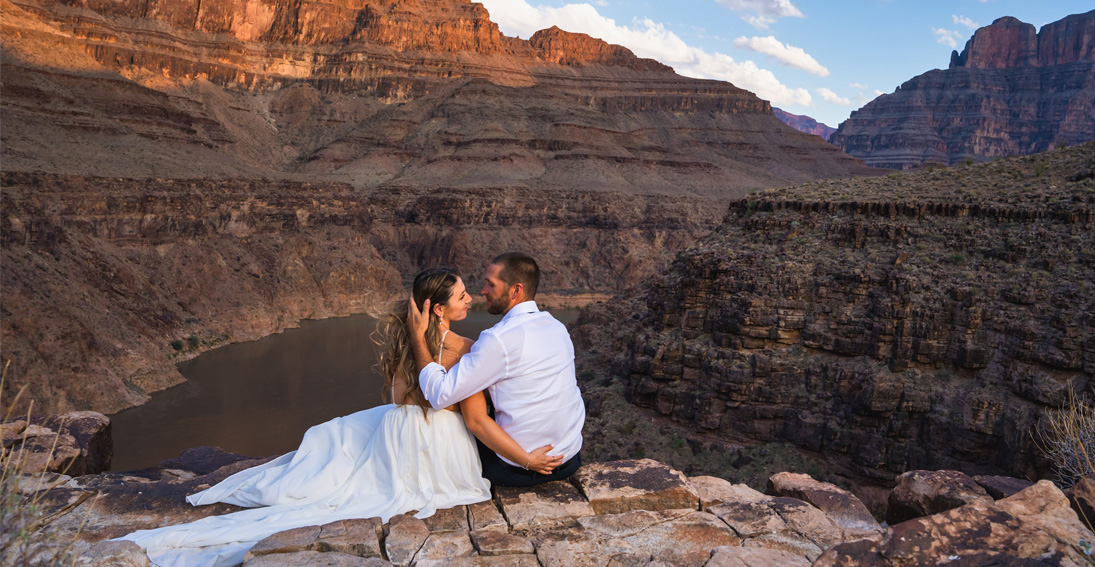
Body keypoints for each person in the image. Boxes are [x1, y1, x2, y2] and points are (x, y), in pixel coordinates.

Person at [117, 268, 557, 567]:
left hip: (400, 430)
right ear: (439, 308)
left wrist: (420, 344)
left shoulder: (410, 342)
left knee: (342, 449)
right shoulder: (469, 347)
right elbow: (472, 413)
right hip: (439, 443)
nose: (471, 298)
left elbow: (400, 397)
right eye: (462, 295)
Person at [408, 252, 585, 487]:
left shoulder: (497, 340)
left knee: (457, 425)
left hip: (521, 469)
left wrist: (417, 337)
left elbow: (440, 395)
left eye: (490, 284)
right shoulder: (557, 327)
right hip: (570, 459)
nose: (482, 291)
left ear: (515, 290)